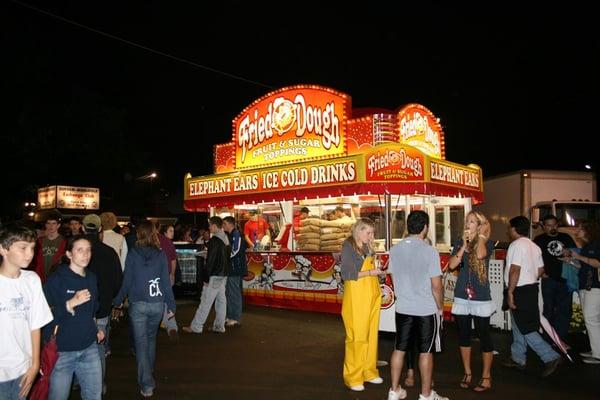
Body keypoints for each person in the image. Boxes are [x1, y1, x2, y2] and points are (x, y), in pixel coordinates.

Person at [112, 220, 176, 398]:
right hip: (157, 304)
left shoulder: (133, 254)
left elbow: (127, 281)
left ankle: (147, 383)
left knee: (141, 344)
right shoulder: (161, 254)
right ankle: (148, 370)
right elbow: (166, 281)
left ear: (139, 234)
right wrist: (171, 305)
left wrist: (117, 300)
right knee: (151, 339)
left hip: (138, 304)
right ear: (154, 234)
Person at [388, 210, 447, 400]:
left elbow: (393, 274)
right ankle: (426, 395)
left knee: (400, 348)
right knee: (426, 351)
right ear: (425, 228)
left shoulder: (395, 249)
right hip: (425, 309)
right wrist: (440, 307)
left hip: (403, 307)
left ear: (408, 226)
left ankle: (394, 390)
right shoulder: (430, 251)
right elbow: (436, 285)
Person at [43, 235, 104, 400]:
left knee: (94, 395)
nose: (85, 254)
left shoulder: (91, 278)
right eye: (80, 250)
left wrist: (96, 328)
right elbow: (43, 315)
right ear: (69, 254)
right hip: (63, 350)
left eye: (88, 250)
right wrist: (70, 304)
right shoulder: (57, 279)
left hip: (89, 346)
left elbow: (92, 310)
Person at [502, 216, 562, 377]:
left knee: (526, 326)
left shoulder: (516, 245)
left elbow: (515, 269)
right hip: (531, 289)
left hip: (519, 290)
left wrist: (510, 292)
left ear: (514, 229)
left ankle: (550, 356)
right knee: (518, 324)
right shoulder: (534, 246)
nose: (508, 230)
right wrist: (530, 278)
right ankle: (517, 357)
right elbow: (541, 269)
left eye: (509, 227)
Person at [0, 224, 53, 400]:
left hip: (23, 368)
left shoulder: (32, 280)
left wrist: (34, 364)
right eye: (23, 247)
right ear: (3, 249)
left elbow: (35, 324)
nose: (29, 253)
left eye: (32, 248)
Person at [446, 211, 494, 392]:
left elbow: (481, 255)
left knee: (484, 335)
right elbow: (451, 265)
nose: (468, 224)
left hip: (480, 295)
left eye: (472, 221)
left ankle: (486, 376)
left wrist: (480, 236)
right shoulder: (460, 242)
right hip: (462, 294)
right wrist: (462, 246)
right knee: (463, 335)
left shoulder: (487, 243)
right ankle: (467, 372)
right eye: (467, 221)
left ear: (480, 225)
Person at [340, 218, 387, 392]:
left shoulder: (368, 247)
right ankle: (353, 376)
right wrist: (370, 272)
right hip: (356, 297)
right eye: (368, 232)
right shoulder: (348, 246)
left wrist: (379, 272)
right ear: (359, 231)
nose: (371, 235)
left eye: (372, 232)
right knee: (356, 337)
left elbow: (371, 269)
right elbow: (346, 274)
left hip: (371, 294)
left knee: (371, 334)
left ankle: (369, 371)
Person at [81, 214, 123, 395]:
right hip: (102, 308)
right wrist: (111, 299)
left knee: (77, 346)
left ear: (83, 228)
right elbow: (117, 281)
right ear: (100, 230)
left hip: (79, 308)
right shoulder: (109, 252)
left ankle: (79, 381)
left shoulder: (75, 251)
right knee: (98, 348)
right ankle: (98, 385)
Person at [183, 216, 231, 334]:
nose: (209, 228)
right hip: (223, 273)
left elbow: (211, 261)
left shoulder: (214, 240)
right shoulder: (225, 238)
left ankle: (196, 327)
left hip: (214, 275)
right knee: (221, 300)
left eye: (210, 225)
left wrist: (206, 277)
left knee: (206, 301)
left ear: (214, 226)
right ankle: (219, 326)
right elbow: (226, 256)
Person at [533, 215, 577, 343]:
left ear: (557, 225)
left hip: (565, 279)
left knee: (565, 310)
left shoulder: (566, 238)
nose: (552, 227)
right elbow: (534, 258)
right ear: (544, 227)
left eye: (554, 225)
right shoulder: (539, 239)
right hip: (549, 279)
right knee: (549, 310)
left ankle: (560, 339)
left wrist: (570, 253)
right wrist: (541, 273)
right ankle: (548, 339)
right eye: (549, 225)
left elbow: (576, 254)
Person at [563, 220, 600, 364]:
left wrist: (577, 257)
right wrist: (571, 261)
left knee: (591, 320)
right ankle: (595, 350)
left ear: (587, 230)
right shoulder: (588, 245)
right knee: (591, 320)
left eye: (579, 228)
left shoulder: (595, 244)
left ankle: (597, 354)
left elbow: (597, 263)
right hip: (587, 286)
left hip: (593, 286)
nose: (576, 230)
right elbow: (584, 266)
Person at [223, 216, 247, 327]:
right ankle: (230, 316)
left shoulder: (236, 234)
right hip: (232, 267)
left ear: (230, 224)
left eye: (224, 224)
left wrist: (224, 257)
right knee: (229, 292)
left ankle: (235, 317)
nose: (223, 226)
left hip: (235, 268)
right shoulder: (231, 235)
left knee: (233, 293)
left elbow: (235, 250)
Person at [156, 223, 179, 339]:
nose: (173, 233)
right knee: (168, 300)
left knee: (157, 300)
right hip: (166, 274)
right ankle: (172, 326)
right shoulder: (168, 243)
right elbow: (173, 261)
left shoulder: (152, 240)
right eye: (170, 231)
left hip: (154, 276)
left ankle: (164, 323)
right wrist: (172, 275)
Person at [33, 213, 67, 283]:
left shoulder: (64, 241)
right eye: (48, 223)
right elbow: (36, 259)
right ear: (46, 225)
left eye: (54, 223)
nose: (51, 226)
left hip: (57, 276)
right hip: (40, 276)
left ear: (58, 225)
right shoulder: (40, 241)